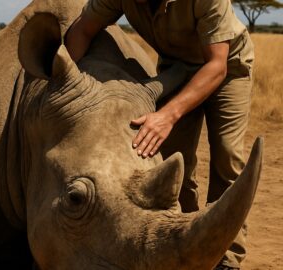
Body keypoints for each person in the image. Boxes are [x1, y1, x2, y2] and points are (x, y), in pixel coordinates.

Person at [65, 0, 254, 269]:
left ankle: (228, 258)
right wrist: (60, 79)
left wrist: (168, 115)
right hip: (176, 67)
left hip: (227, 68)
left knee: (227, 156)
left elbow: (217, 65)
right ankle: (187, 237)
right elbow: (83, 30)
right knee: (175, 162)